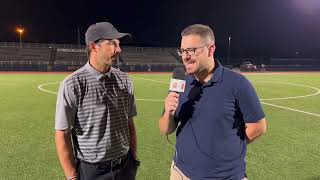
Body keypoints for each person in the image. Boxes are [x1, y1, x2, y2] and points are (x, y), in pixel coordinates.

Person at [159, 24, 266, 180]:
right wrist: (168, 113)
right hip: (181, 173)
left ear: (211, 49)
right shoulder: (180, 83)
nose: (185, 56)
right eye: (182, 50)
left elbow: (258, 127)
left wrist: (227, 149)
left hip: (226, 176)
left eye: (192, 50)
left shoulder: (238, 83)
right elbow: (165, 129)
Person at [55, 22, 139, 180]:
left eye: (118, 44)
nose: (118, 49)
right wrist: (72, 177)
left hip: (125, 167)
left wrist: (133, 159)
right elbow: (62, 133)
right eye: (112, 43)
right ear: (94, 46)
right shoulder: (72, 84)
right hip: (92, 172)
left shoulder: (125, 80)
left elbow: (130, 123)